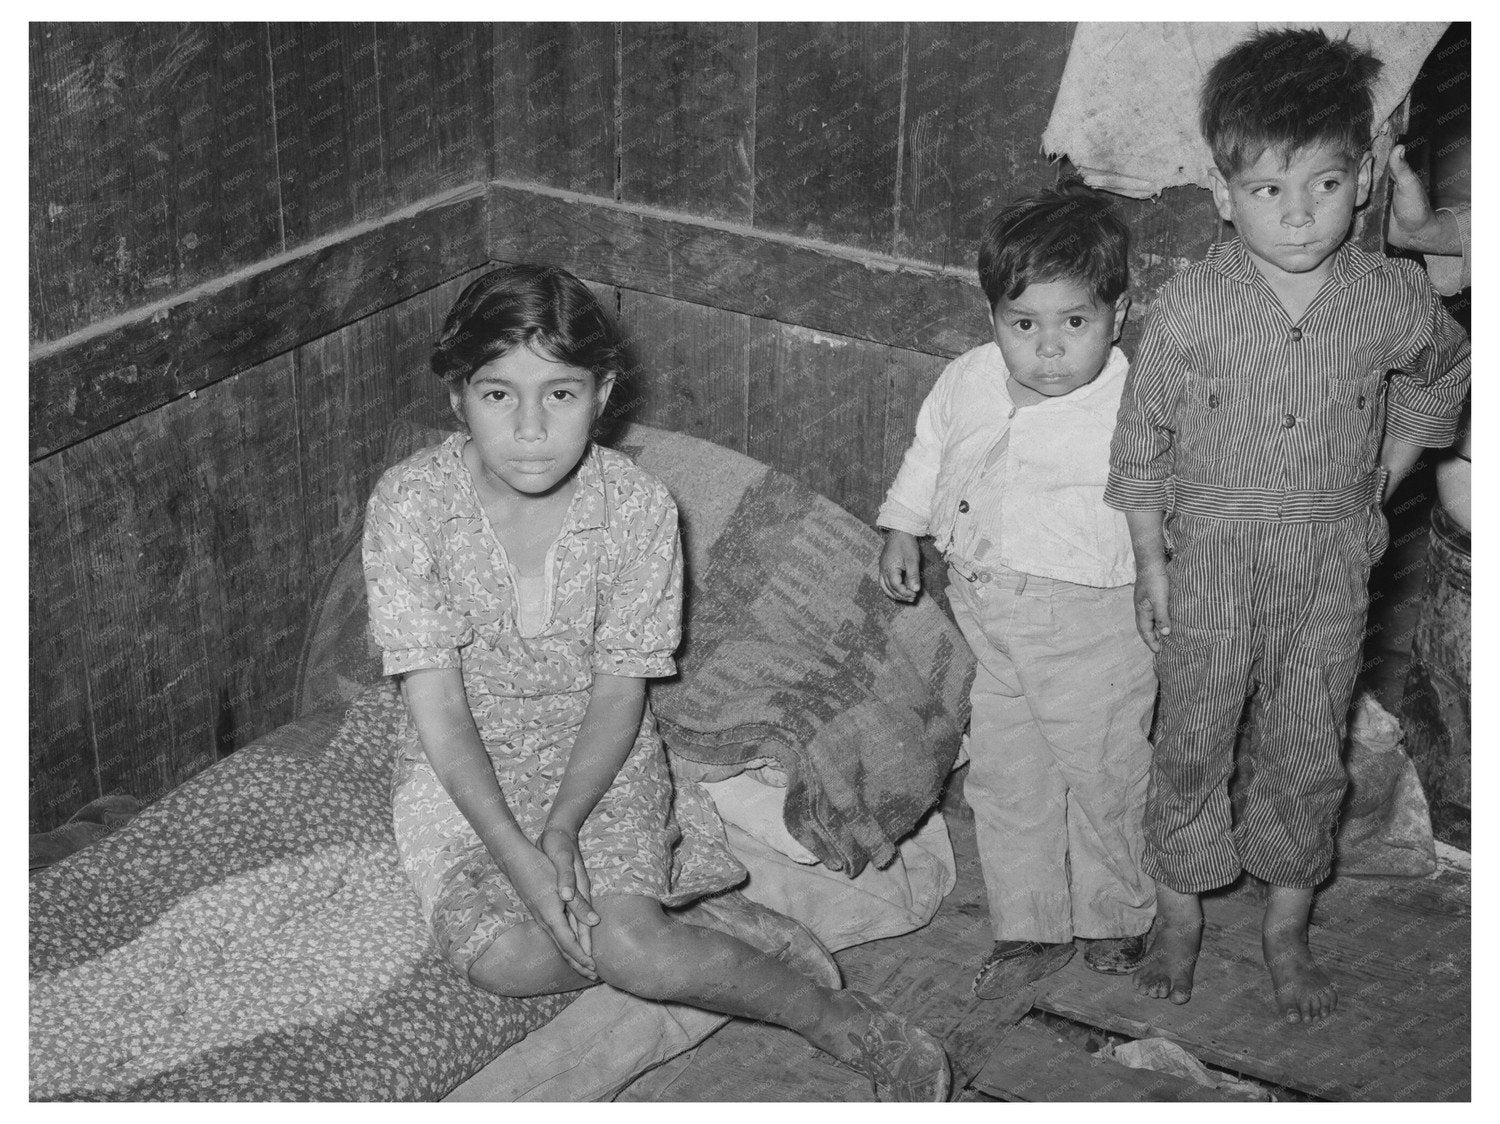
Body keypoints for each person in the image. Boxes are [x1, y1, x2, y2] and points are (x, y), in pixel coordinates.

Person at [362, 264, 951, 1101]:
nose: (530, 429)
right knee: (504, 962)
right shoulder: (409, 505)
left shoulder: (637, 508)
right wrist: (522, 858)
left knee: (629, 948)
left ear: (601, 393)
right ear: (457, 396)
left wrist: (563, 826)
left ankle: (832, 1018)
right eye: (499, 396)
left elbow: (618, 695)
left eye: (559, 395)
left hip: (597, 754)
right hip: (456, 774)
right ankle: (706, 927)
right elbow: (440, 716)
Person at [1107, 28, 1471, 1023]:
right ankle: (1177, 913)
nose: (1300, 212)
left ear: (1361, 179)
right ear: (1224, 194)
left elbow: (1446, 368)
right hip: (1211, 566)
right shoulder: (1189, 310)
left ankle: (1285, 926)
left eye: (1323, 182)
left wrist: (1395, 462)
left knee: (1309, 748)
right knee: (1191, 741)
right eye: (1269, 190)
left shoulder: (1390, 296)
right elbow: (1140, 445)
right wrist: (1150, 560)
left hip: (1330, 570)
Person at [876, 183, 1157, 999]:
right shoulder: (968, 378)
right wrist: (903, 526)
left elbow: (1170, 500)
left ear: (1119, 311)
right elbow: (931, 451)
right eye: (1021, 324)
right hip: (986, 609)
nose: (1049, 349)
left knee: (1102, 767)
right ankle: (1029, 922)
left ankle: (1118, 912)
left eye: (1076, 322)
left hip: (1092, 617)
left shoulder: (1136, 400)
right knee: (1007, 770)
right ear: (992, 314)